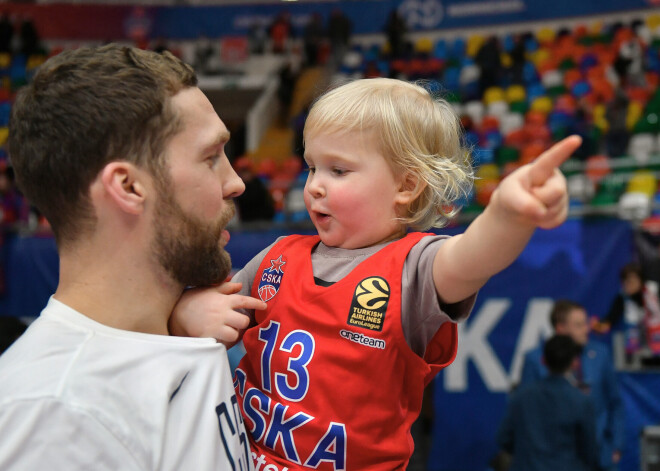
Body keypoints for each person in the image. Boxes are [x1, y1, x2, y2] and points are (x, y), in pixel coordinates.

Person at [170, 78, 581, 470]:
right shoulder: (278, 256)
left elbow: (474, 258)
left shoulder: (414, 269)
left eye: (339, 170)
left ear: (406, 185)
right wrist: (187, 312)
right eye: (312, 167)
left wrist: (508, 215)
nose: (313, 185)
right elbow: (199, 310)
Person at [0, 44, 264, 470]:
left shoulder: (182, 332)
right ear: (128, 187)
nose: (235, 182)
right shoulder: (57, 414)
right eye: (211, 157)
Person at [520, 299, 625, 471]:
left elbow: (616, 403)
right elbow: (527, 410)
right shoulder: (535, 359)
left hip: (600, 456)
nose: (587, 329)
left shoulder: (600, 354)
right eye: (579, 325)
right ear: (560, 328)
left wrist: (616, 446)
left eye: (585, 323)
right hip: (553, 459)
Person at [498, 334, 599, 471]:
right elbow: (589, 450)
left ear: (543, 361)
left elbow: (504, 438)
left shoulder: (521, 397)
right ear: (574, 363)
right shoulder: (582, 401)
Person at [593, 262, 660, 362]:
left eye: (632, 280)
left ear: (641, 280)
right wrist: (599, 326)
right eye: (625, 281)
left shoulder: (654, 292)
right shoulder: (621, 298)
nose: (628, 284)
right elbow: (610, 318)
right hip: (634, 354)